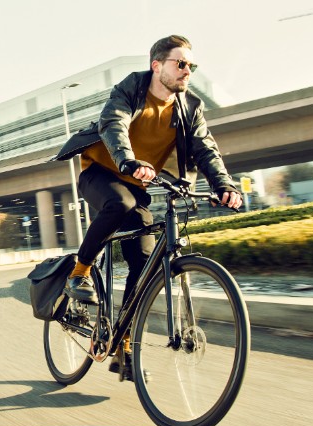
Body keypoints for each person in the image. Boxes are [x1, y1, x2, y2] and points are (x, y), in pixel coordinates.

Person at [62, 35, 242, 378]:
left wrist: (224, 185)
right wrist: (126, 160)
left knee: (144, 263)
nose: (188, 71)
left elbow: (205, 149)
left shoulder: (190, 107)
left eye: (192, 65)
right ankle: (79, 272)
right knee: (120, 202)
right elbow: (113, 123)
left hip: (137, 184)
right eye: (181, 63)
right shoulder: (130, 89)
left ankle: (124, 346)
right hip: (101, 172)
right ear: (157, 65)